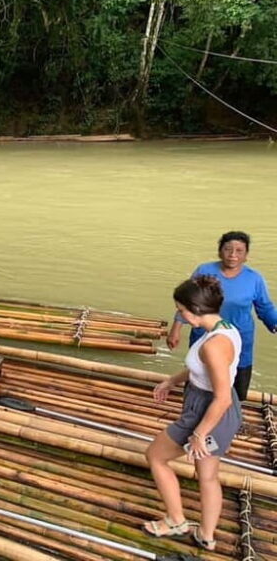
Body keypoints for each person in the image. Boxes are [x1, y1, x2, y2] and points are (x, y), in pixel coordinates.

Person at [144, 276, 242, 552]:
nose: (180, 315)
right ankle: (207, 536)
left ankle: (176, 521)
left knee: (155, 456)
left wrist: (199, 434)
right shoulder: (225, 329)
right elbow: (208, 371)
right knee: (208, 475)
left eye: (181, 310)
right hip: (221, 409)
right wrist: (172, 381)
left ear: (195, 310)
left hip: (208, 411)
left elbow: (220, 398)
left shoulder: (213, 345)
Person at [167, 231, 277, 401]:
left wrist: (275, 324)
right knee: (198, 375)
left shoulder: (254, 279)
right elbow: (187, 302)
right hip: (204, 335)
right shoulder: (205, 271)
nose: (233, 255)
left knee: (237, 387)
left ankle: (230, 415)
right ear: (220, 251)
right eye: (228, 249)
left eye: (239, 251)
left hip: (239, 337)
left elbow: (265, 308)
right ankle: (195, 410)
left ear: (246, 255)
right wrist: (175, 329)